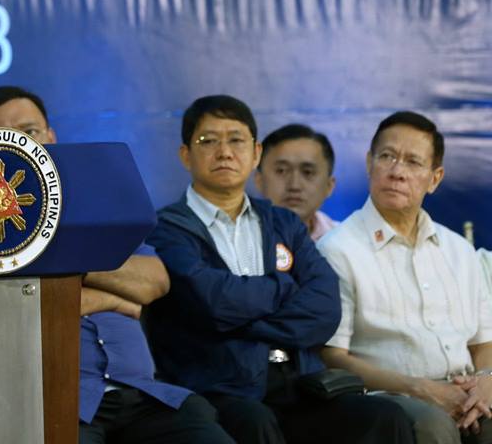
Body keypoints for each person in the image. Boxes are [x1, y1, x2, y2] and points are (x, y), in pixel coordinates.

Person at [0, 86, 235, 444]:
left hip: (146, 396)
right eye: (2, 137)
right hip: (56, 404)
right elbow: (6, 309)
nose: (21, 145)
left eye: (30, 132)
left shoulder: (99, 210)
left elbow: (154, 281)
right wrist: (118, 299)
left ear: (51, 137)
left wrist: (62, 264)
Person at [144, 95, 413, 444]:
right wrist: (284, 286)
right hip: (220, 389)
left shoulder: (283, 222)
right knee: (254, 421)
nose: (224, 152)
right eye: (208, 141)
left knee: (384, 418)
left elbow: (324, 309)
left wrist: (238, 323)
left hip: (300, 385)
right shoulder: (166, 229)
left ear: (255, 153)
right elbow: (212, 302)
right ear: (185, 155)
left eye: (236, 140)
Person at [318, 111, 492, 444]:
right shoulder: (337, 250)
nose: (397, 172)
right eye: (387, 156)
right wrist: (420, 388)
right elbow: (331, 356)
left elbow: (484, 342)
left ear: (435, 178)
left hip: (464, 390)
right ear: (369, 163)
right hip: (390, 398)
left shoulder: (459, 250)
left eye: (413, 162)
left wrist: (486, 380)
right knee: (433, 426)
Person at [255, 124, 338, 241]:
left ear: (329, 186)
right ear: (259, 180)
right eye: (281, 171)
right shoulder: (237, 239)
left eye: (308, 172)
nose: (294, 185)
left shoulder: (347, 243)